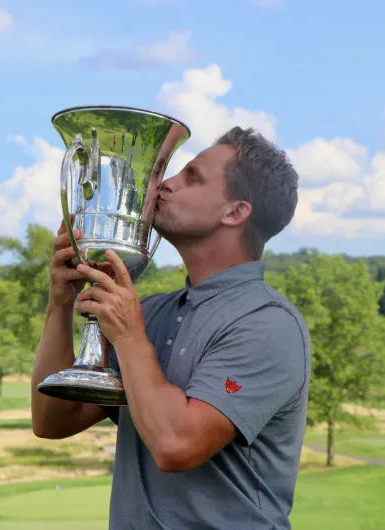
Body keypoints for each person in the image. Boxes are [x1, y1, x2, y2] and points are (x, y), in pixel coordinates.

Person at [31, 126, 311, 530]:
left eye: (192, 177)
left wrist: (128, 336)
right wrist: (61, 301)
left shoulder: (267, 324)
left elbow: (176, 446)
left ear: (235, 212)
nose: (165, 184)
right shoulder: (152, 314)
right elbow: (53, 420)